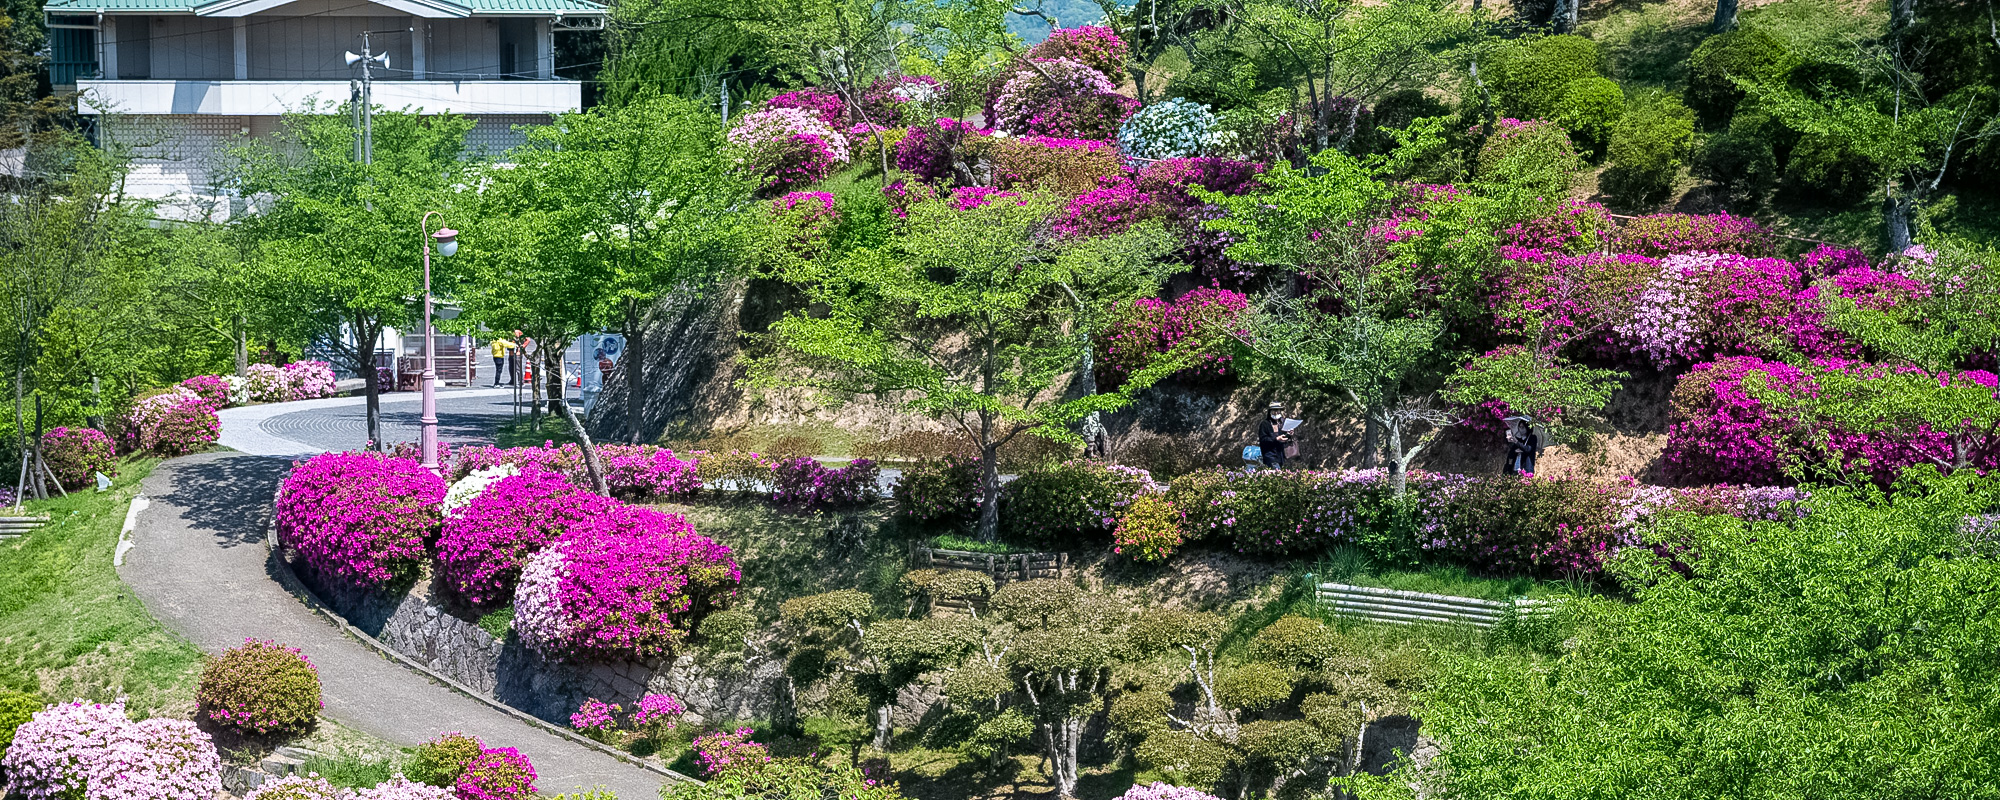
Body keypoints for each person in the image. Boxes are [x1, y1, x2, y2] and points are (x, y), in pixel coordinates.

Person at [1256, 401, 1295, 470]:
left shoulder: (1282, 423)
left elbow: (1284, 437)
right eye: (1274, 410)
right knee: (1277, 472)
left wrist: (1289, 434)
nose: (1276, 412)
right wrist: (1276, 439)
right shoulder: (1265, 424)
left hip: (1281, 455)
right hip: (1270, 455)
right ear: (1270, 411)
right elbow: (1263, 439)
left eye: (1278, 410)